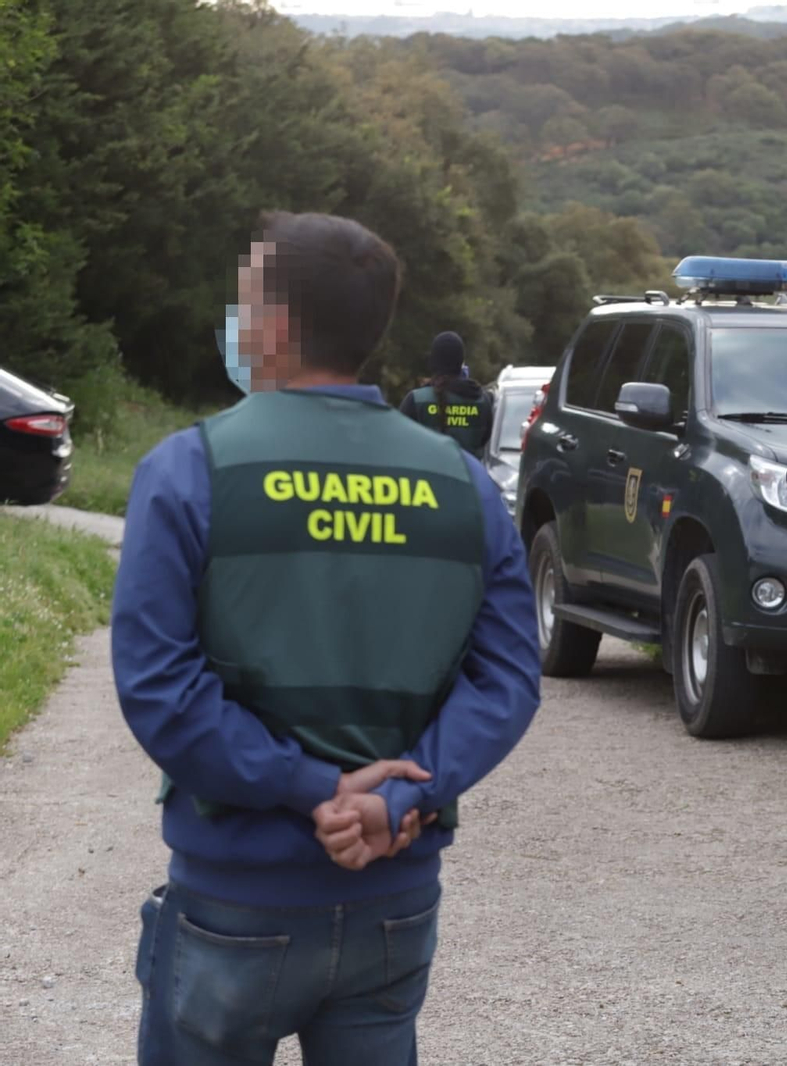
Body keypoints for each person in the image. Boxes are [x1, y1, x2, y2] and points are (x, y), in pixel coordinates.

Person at [112, 211, 542, 1065]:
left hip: (233, 898)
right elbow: (507, 682)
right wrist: (393, 802)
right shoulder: (463, 487)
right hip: (393, 895)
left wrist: (310, 787)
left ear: (270, 324)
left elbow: (161, 685)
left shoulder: (189, 469)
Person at [399, 330, 495, 459]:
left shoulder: (416, 400)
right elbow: (483, 440)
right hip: (468, 477)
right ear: (461, 362)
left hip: (426, 477)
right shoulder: (482, 400)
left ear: (433, 362)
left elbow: (402, 442)